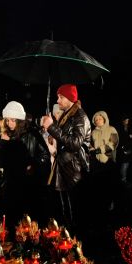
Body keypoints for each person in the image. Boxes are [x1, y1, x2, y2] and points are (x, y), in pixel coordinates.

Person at [40, 84, 91, 229]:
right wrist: (50, 125)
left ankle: (76, 243)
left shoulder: (80, 117)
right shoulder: (67, 115)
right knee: (65, 211)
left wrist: (52, 127)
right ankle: (66, 240)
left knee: (74, 211)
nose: (58, 100)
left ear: (70, 98)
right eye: (57, 97)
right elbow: (62, 137)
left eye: (61, 97)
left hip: (74, 171)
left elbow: (74, 143)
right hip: (64, 168)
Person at [0, 101, 50, 223]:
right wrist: (3, 143)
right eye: (7, 120)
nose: (9, 123)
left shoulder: (32, 134)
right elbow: (1, 160)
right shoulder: (6, 135)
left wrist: (33, 165)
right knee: (13, 218)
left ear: (20, 120)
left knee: (29, 220)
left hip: (29, 183)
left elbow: (45, 155)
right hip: (12, 184)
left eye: (13, 120)